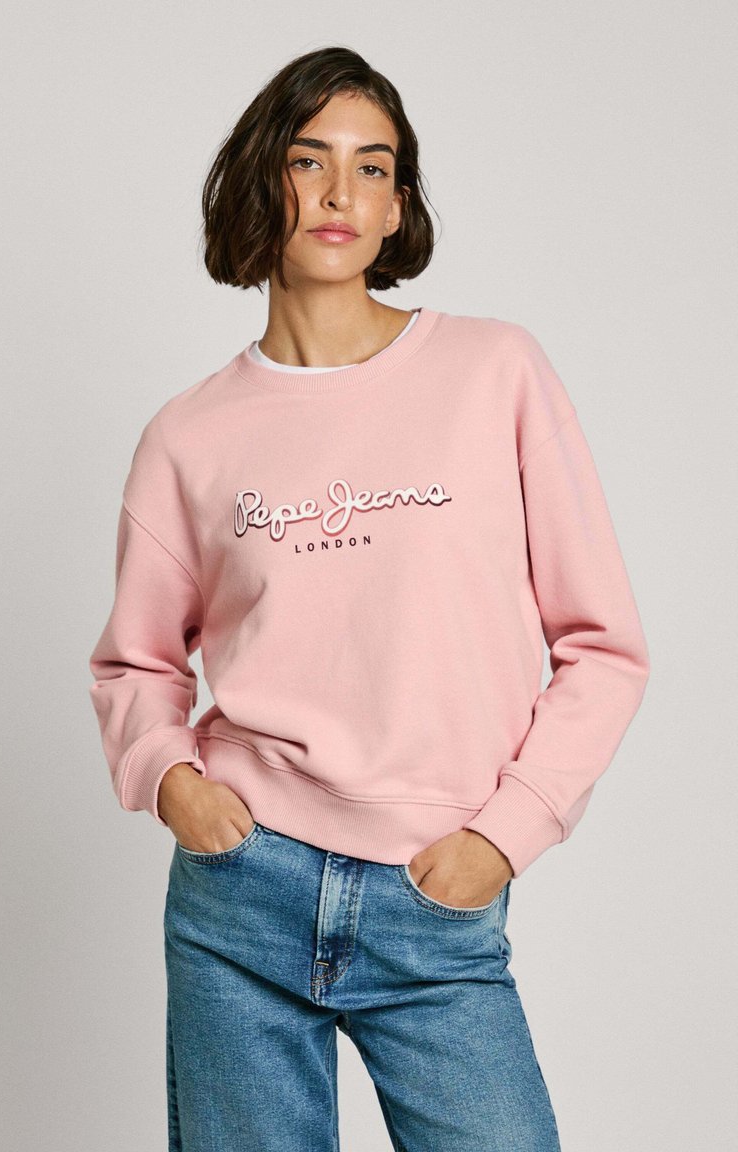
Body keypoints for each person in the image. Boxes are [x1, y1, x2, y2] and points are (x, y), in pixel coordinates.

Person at [88, 45, 650, 1152]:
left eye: (373, 167)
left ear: (398, 208)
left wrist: (504, 835)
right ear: (264, 181)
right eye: (309, 160)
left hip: (436, 894)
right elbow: (135, 662)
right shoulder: (188, 436)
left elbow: (603, 646)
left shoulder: (495, 372)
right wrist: (174, 783)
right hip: (240, 894)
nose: (341, 192)